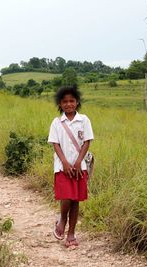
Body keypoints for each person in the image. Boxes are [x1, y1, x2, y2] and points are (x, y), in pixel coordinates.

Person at [48, 85, 94, 248]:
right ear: (60, 104)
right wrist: (65, 163)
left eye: (72, 101)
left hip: (79, 167)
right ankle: (62, 219)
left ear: (77, 102)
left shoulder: (84, 120)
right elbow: (55, 144)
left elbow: (86, 142)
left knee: (75, 201)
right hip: (62, 167)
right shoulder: (56, 122)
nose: (68, 104)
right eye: (65, 101)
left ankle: (71, 233)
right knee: (66, 196)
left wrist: (77, 161)